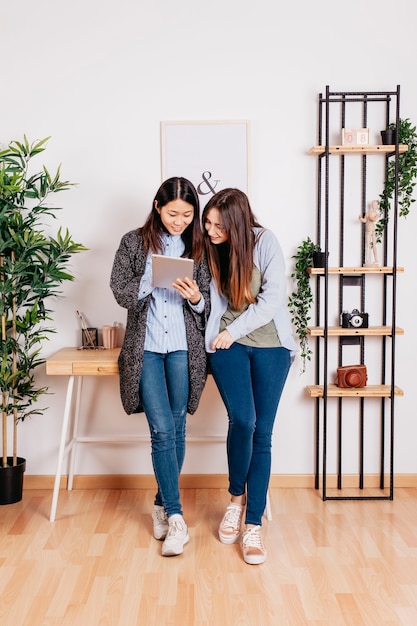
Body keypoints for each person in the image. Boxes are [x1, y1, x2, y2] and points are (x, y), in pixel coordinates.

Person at [110, 177, 210, 557]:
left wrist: (196, 297)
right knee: (162, 430)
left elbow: (206, 308)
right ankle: (177, 516)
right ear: (157, 206)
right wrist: (152, 280)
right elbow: (119, 289)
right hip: (146, 349)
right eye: (173, 213)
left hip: (183, 349)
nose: (180, 221)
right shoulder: (133, 242)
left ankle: (159, 504)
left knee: (178, 425)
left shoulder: (198, 245)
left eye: (187, 214)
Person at [202, 188, 297, 565]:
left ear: (237, 223)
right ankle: (235, 500)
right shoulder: (212, 250)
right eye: (208, 223)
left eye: (217, 225)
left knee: (263, 432)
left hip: (270, 344)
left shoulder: (265, 242)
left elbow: (273, 300)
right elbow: (215, 304)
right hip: (227, 343)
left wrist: (234, 330)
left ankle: (253, 524)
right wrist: (211, 330)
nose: (209, 231)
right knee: (243, 419)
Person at [359, 200, 380, 265]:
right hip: (368, 229)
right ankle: (367, 260)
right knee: (367, 245)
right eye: (373, 205)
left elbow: (373, 219)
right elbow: (365, 220)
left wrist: (370, 217)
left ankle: (376, 260)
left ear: (377, 206)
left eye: (375, 205)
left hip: (373, 229)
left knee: (374, 245)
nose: (374, 206)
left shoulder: (377, 214)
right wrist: (360, 218)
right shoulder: (368, 212)